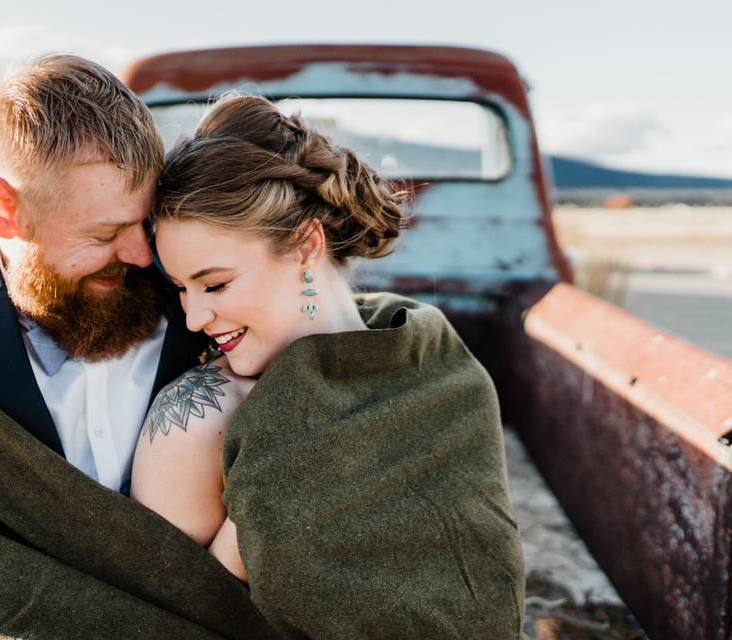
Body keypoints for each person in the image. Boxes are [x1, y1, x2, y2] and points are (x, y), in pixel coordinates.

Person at [0, 56, 280, 639]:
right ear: (3, 210)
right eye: (104, 233)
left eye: (145, 223)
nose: (142, 254)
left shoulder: (200, 292)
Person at [131, 94, 527, 638]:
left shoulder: (436, 361)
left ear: (305, 244)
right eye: (181, 288)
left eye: (215, 283)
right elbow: (178, 617)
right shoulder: (196, 420)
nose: (195, 317)